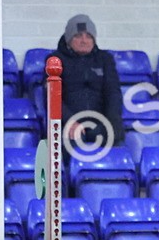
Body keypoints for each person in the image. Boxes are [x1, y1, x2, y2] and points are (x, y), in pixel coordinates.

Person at [50, 14, 124, 152]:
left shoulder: (105, 59)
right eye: (78, 36)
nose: (84, 41)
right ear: (68, 39)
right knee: (69, 141)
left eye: (88, 36)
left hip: (100, 123)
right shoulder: (55, 61)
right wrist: (69, 122)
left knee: (116, 139)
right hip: (69, 125)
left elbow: (113, 93)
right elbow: (52, 97)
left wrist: (112, 123)